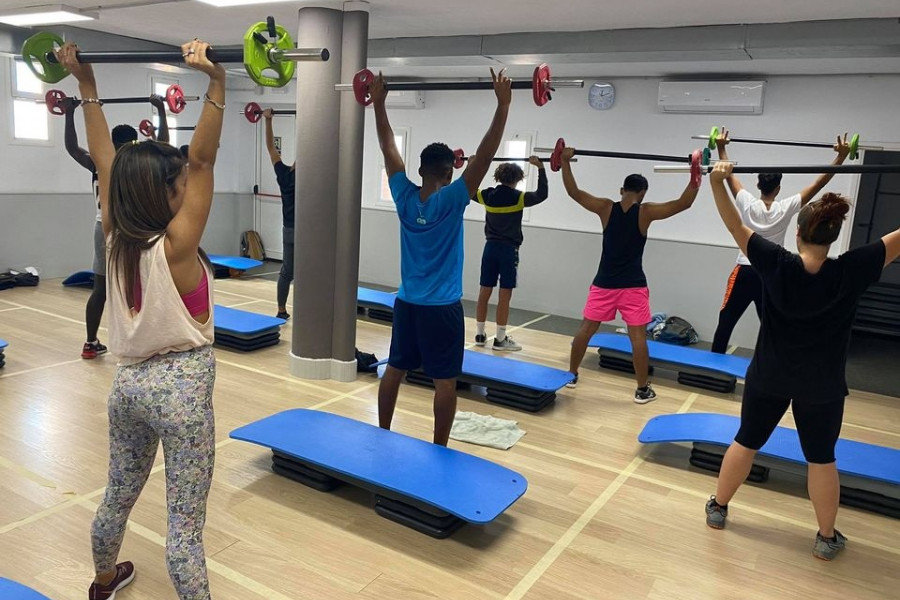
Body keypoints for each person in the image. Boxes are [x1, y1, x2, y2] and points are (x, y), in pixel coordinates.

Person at [57, 38, 224, 599]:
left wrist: (86, 86)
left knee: (117, 494)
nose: (187, 186)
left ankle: (104, 580)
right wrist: (216, 84)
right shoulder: (176, 248)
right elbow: (201, 161)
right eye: (179, 186)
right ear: (167, 195)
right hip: (182, 392)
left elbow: (106, 160)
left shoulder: (114, 238)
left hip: (127, 388)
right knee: (183, 529)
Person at [704, 162, 900, 560]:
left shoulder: (775, 262)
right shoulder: (852, 269)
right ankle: (826, 538)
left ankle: (719, 508)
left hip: (769, 376)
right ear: (833, 235)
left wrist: (715, 181)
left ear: (797, 233)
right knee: (822, 459)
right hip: (822, 386)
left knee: (746, 441)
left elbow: (732, 223)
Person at [374, 69, 512, 446]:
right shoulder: (454, 198)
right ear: (450, 174)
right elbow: (485, 155)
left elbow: (389, 148)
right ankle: (439, 448)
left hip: (407, 303)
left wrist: (379, 103)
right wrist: (503, 105)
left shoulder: (403, 195)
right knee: (444, 381)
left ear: (420, 170)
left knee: (395, 369)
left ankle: (382, 434)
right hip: (442, 308)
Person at [560, 144, 699, 402]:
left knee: (586, 330)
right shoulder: (645, 212)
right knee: (637, 337)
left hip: (604, 284)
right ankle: (642, 389)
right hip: (633, 286)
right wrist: (695, 176)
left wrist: (565, 162)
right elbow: (684, 204)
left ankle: (571, 374)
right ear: (643, 193)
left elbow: (574, 193)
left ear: (622, 190)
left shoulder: (604, 207)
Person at [710, 128, 851, 353]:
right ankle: (771, 362)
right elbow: (819, 183)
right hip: (771, 273)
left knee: (726, 320)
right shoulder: (786, 207)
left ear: (758, 185)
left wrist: (721, 147)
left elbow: (727, 176)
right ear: (778, 188)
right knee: (770, 324)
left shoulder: (746, 201)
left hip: (744, 271)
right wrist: (840, 157)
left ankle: (712, 369)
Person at [63, 93, 170, 359]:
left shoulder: (100, 163)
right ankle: (142, 341)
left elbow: (72, 148)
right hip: (132, 229)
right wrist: (161, 109)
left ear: (111, 141)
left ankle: (90, 343)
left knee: (101, 288)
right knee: (139, 284)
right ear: (133, 142)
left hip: (103, 229)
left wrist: (69, 113)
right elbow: (164, 145)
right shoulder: (136, 162)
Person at [472, 157, 548, 351]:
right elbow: (542, 194)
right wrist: (541, 168)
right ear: (518, 178)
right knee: (504, 294)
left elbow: (468, 189)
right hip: (508, 251)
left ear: (498, 177)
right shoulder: (519, 197)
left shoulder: (487, 195)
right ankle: (499, 339)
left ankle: (480, 335)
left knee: (484, 291)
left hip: (489, 249)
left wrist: (471, 165)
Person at [262, 108, 296, 320]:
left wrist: (267, 120)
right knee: (308, 274)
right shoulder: (312, 179)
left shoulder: (284, 175)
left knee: (286, 272)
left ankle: (281, 310)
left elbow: (270, 148)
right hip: (306, 232)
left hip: (288, 230)